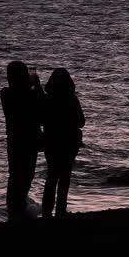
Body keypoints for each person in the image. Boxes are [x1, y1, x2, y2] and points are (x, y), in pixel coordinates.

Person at [1, 60, 44, 219]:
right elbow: (41, 111)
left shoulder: (5, 93)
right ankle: (19, 211)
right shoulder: (30, 94)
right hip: (29, 140)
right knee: (25, 176)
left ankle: (14, 211)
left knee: (15, 176)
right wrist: (37, 86)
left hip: (14, 141)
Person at [41, 68, 85, 218]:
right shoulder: (72, 99)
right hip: (69, 141)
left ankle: (46, 211)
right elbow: (81, 122)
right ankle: (60, 210)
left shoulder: (47, 99)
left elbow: (40, 120)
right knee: (65, 176)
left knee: (52, 176)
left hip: (51, 141)